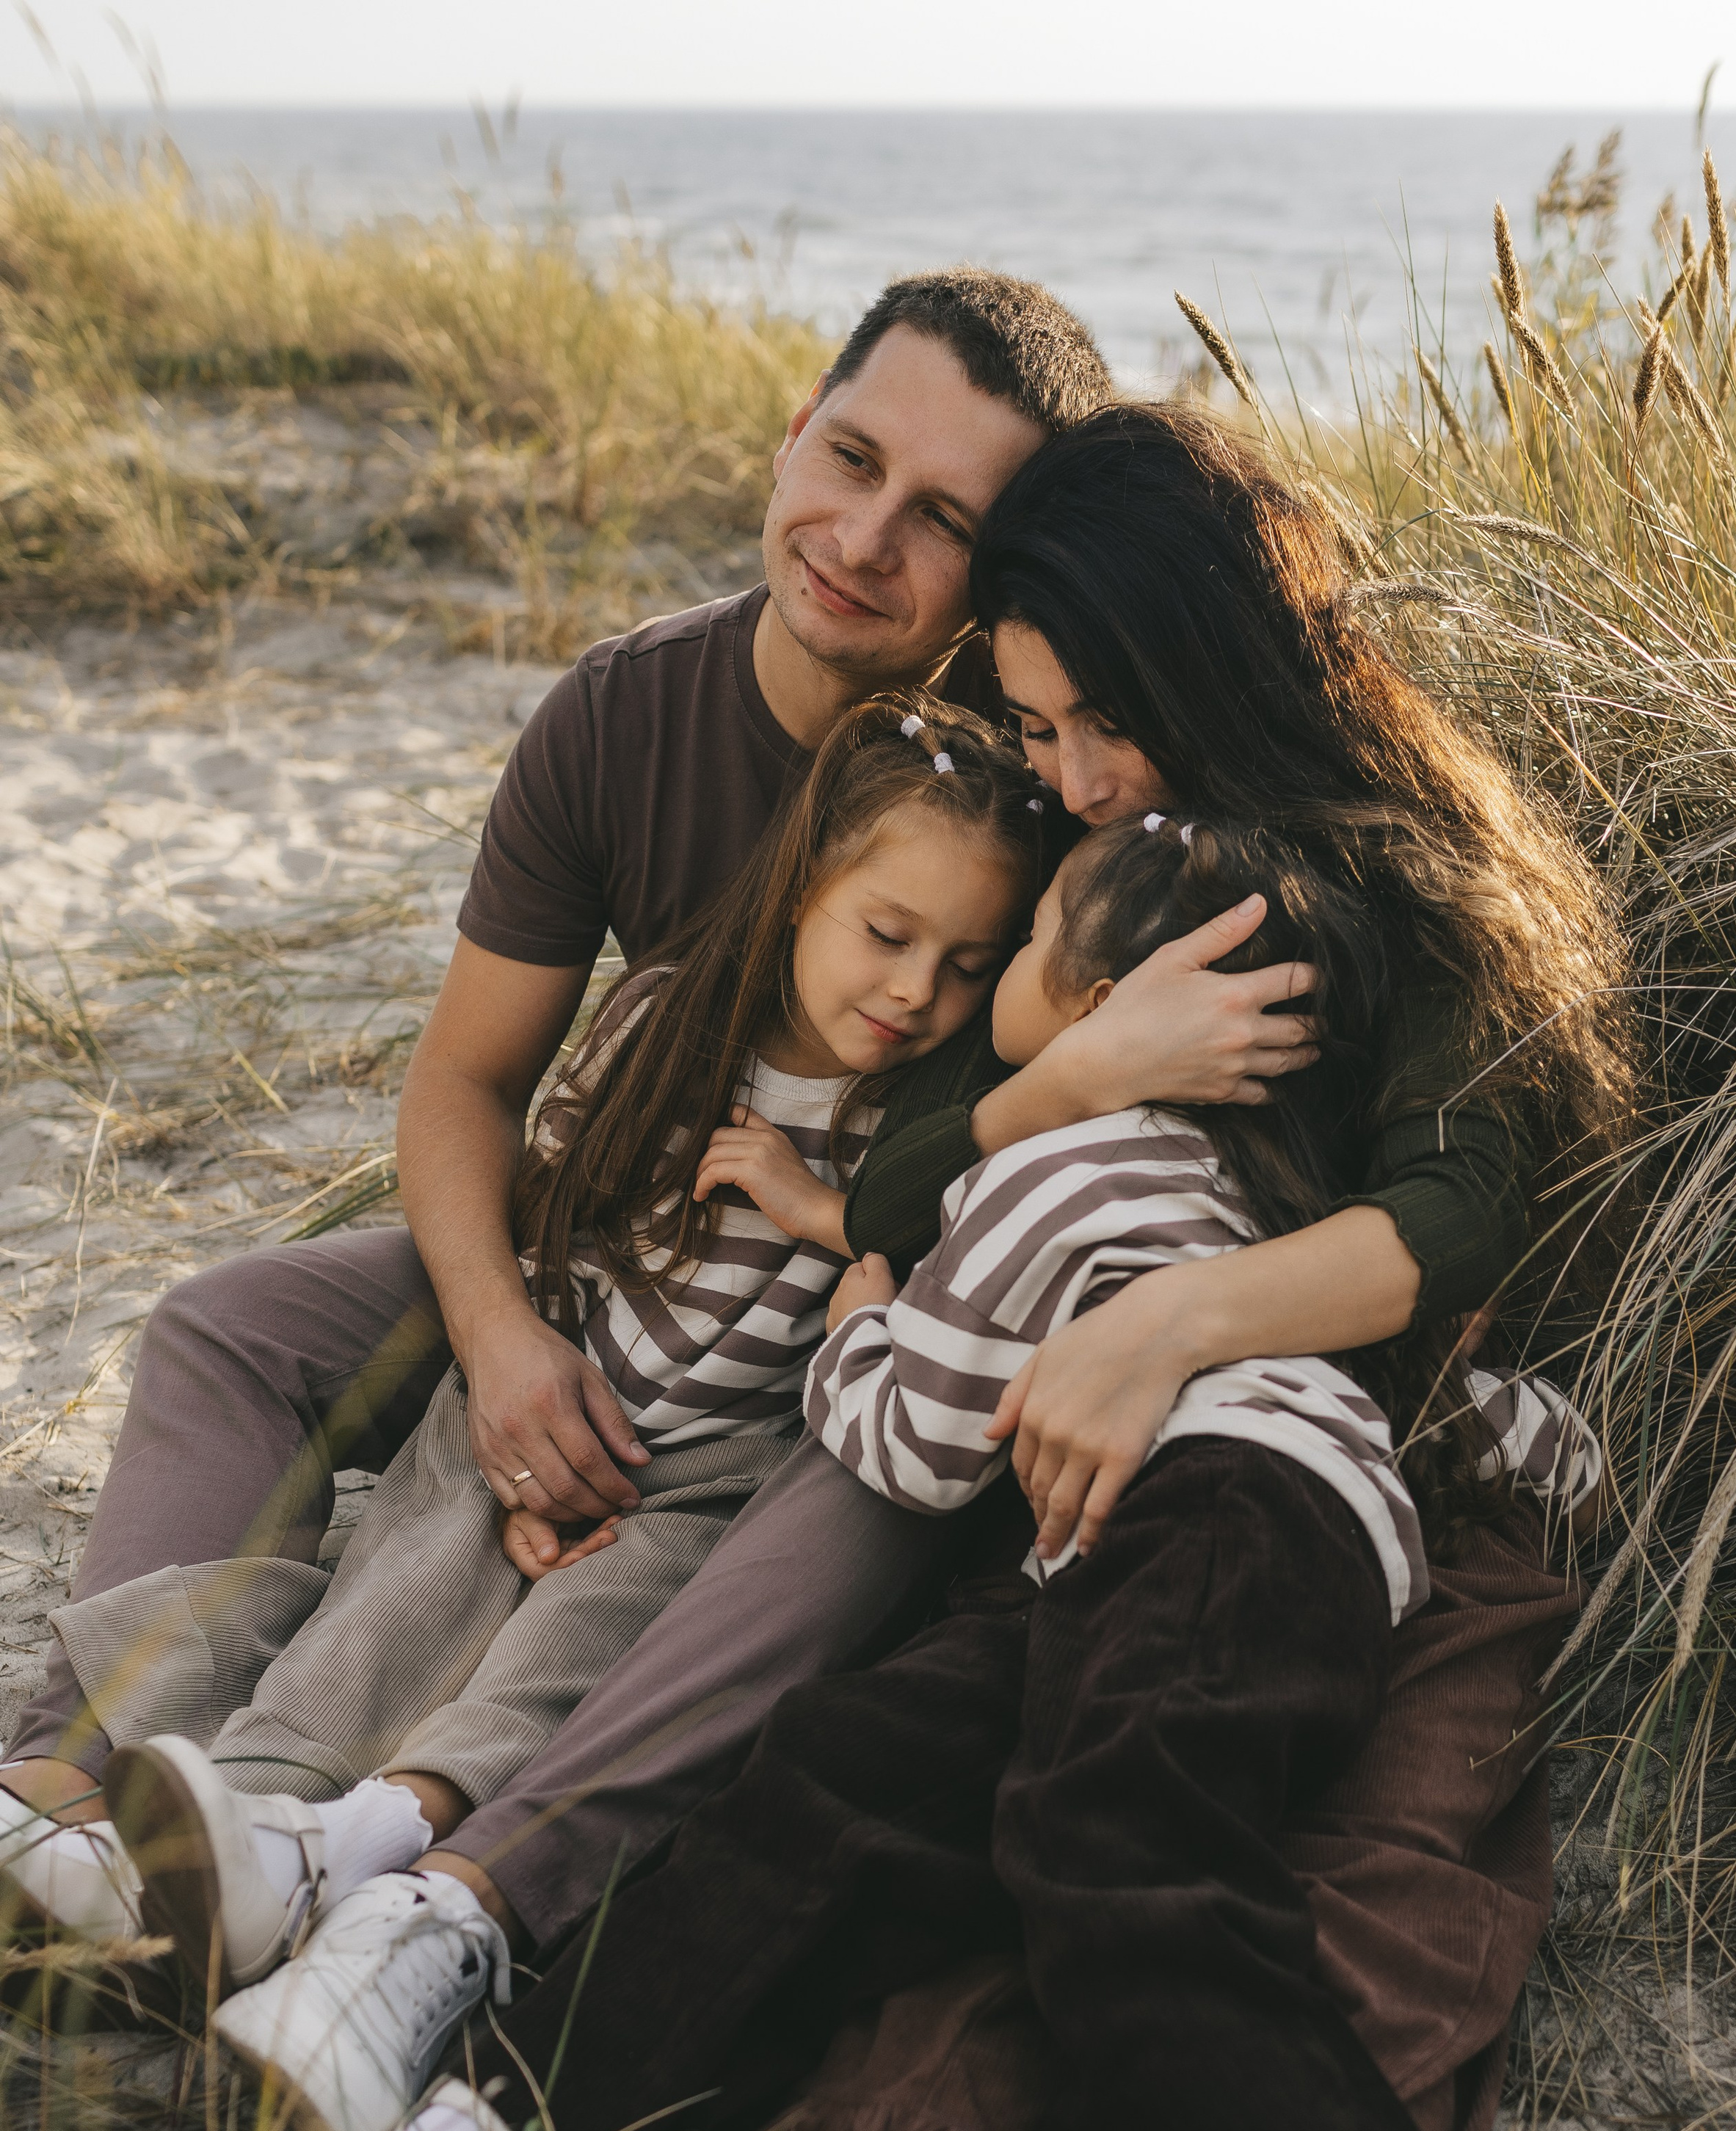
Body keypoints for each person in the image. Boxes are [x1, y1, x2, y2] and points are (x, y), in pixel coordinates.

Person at [272, 416, 1636, 2131]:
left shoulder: (1345, 895)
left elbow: (1451, 1225)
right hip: (1086, 1500)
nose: (1072, 770)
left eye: (1099, 712)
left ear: (1222, 658)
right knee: (888, 1803)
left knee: (1206, 1870)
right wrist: (1064, 1074)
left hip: (1316, 1479)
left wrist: (1149, 1318)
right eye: (1032, 720)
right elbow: (907, 1165)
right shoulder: (1095, 903)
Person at [1, 270, 1312, 2028]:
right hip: (624, 1254)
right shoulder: (624, 714)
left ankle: (469, 1873)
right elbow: (466, 1086)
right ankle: (84, 1787)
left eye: (939, 522)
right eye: (846, 458)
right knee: (235, 1321)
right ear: (791, 432)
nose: (860, 537)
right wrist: (505, 1345)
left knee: (847, 1475)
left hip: (843, 1326)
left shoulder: (1035, 781)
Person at [87, 700, 1054, 2131]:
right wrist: (519, 1418)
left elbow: (885, 1305)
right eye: (886, 933)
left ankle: (388, 1846)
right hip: (564, 1382)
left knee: (564, 1651)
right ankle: (241, 1831)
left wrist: (826, 1212)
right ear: (803, 888)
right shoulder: (666, 1023)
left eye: (967, 963)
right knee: (407, 1582)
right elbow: (563, 1226)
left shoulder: (923, 1116)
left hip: (717, 1472)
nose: (917, 989)